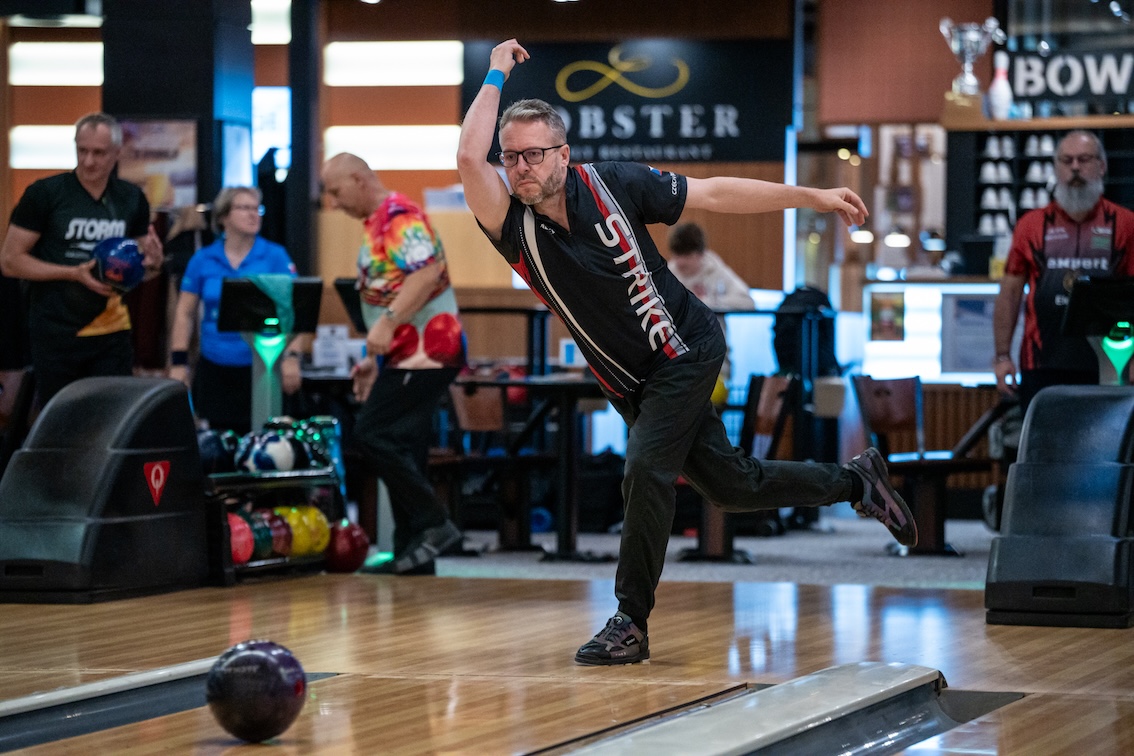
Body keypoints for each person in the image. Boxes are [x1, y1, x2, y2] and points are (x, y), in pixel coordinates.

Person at [457, 39, 917, 666]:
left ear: (564, 154)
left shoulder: (615, 183)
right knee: (731, 486)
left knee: (645, 468)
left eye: (534, 154)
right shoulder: (511, 226)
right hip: (631, 384)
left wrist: (810, 197)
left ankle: (630, 621)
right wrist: (494, 74)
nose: (521, 168)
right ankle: (856, 481)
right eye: (511, 158)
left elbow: (716, 193)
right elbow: (468, 155)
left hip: (687, 349)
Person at [321, 152, 466, 575]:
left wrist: (385, 324)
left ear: (358, 179)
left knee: (373, 433)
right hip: (406, 355)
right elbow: (387, 291)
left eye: (336, 191)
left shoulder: (399, 216)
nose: (333, 203)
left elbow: (426, 273)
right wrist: (373, 358)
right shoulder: (377, 224)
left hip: (427, 352)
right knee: (405, 445)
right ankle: (413, 555)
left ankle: (434, 523)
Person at [0, 112, 163, 406]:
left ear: (117, 153)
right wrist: (73, 273)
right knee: (62, 417)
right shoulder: (44, 193)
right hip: (56, 330)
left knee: (111, 416)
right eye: (82, 150)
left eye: (99, 153)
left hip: (111, 330)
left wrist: (153, 264)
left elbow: (139, 270)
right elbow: (10, 261)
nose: (88, 161)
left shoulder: (131, 197)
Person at [993, 130, 1134, 414]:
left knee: (1105, 442)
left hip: (1110, 364)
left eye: (1084, 159)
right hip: (1041, 362)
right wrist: (1002, 356)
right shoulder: (1031, 225)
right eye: (1067, 160)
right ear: (1056, 168)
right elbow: (1009, 294)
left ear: (1102, 166)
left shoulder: (1125, 224)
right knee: (1042, 441)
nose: (1075, 168)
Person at [168, 187, 300, 435]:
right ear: (223, 217)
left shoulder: (275, 256)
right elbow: (184, 313)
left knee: (263, 442)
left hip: (262, 367)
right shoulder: (203, 259)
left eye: (257, 209)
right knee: (219, 444)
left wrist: (292, 358)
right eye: (244, 208)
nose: (253, 214)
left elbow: (293, 311)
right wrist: (178, 363)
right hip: (215, 365)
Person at [667, 222, 754, 403]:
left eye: (687, 255)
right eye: (677, 255)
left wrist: (708, 303)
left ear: (700, 254)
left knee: (710, 399)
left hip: (713, 362)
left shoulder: (716, 271)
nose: (680, 262)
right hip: (675, 363)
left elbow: (747, 301)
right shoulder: (668, 272)